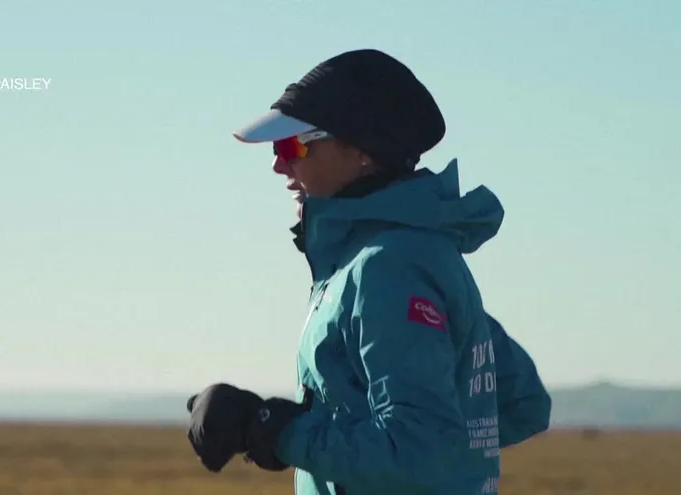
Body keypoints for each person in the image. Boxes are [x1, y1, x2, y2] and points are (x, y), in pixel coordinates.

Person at [186, 49, 552, 495]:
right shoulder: (418, 254)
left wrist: (273, 431)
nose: (279, 164)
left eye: (293, 145)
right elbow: (520, 402)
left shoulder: (386, 267)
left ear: (360, 151)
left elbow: (416, 449)